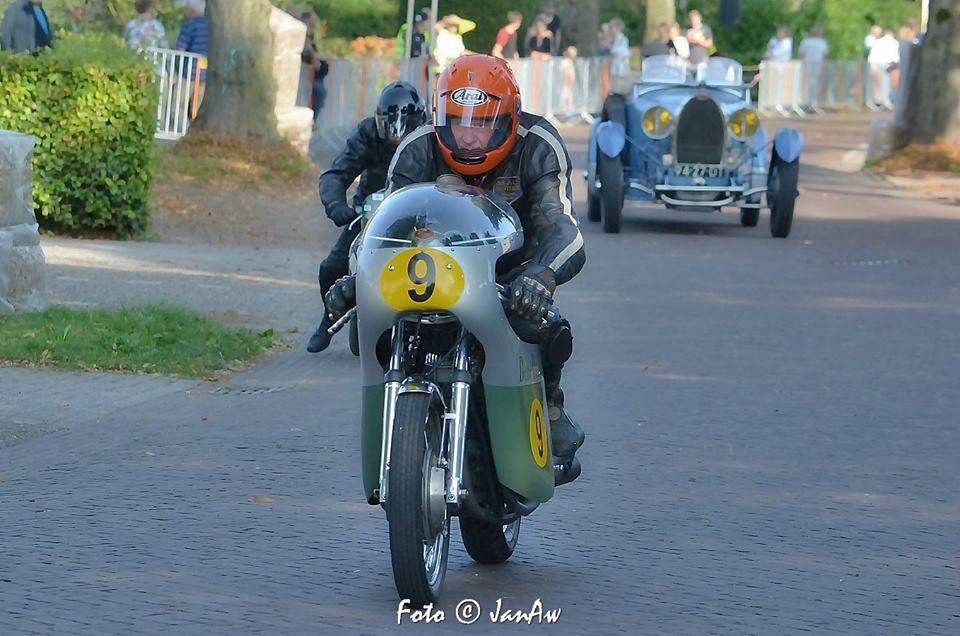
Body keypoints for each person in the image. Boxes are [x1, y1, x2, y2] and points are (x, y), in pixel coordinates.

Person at [326, 55, 587, 485]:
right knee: (367, 332)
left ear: (508, 119)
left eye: (482, 123)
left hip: (511, 273)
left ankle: (551, 406)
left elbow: (563, 228)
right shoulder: (417, 147)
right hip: (428, 272)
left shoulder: (537, 143)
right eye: (456, 121)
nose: (467, 137)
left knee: (546, 326)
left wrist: (542, 276)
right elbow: (381, 230)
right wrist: (358, 279)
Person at [306, 82, 428, 353]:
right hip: (371, 214)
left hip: (421, 216)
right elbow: (337, 173)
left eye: (403, 124)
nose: (396, 134)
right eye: (389, 124)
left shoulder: (431, 136)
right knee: (331, 267)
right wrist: (337, 205)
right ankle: (330, 316)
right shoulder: (367, 133)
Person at [798, 25, 829, 111]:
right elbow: (825, 55)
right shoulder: (822, 42)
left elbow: (801, 54)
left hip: (809, 65)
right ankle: (811, 103)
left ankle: (809, 103)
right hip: (815, 65)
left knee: (809, 84)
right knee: (813, 84)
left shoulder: (806, 42)